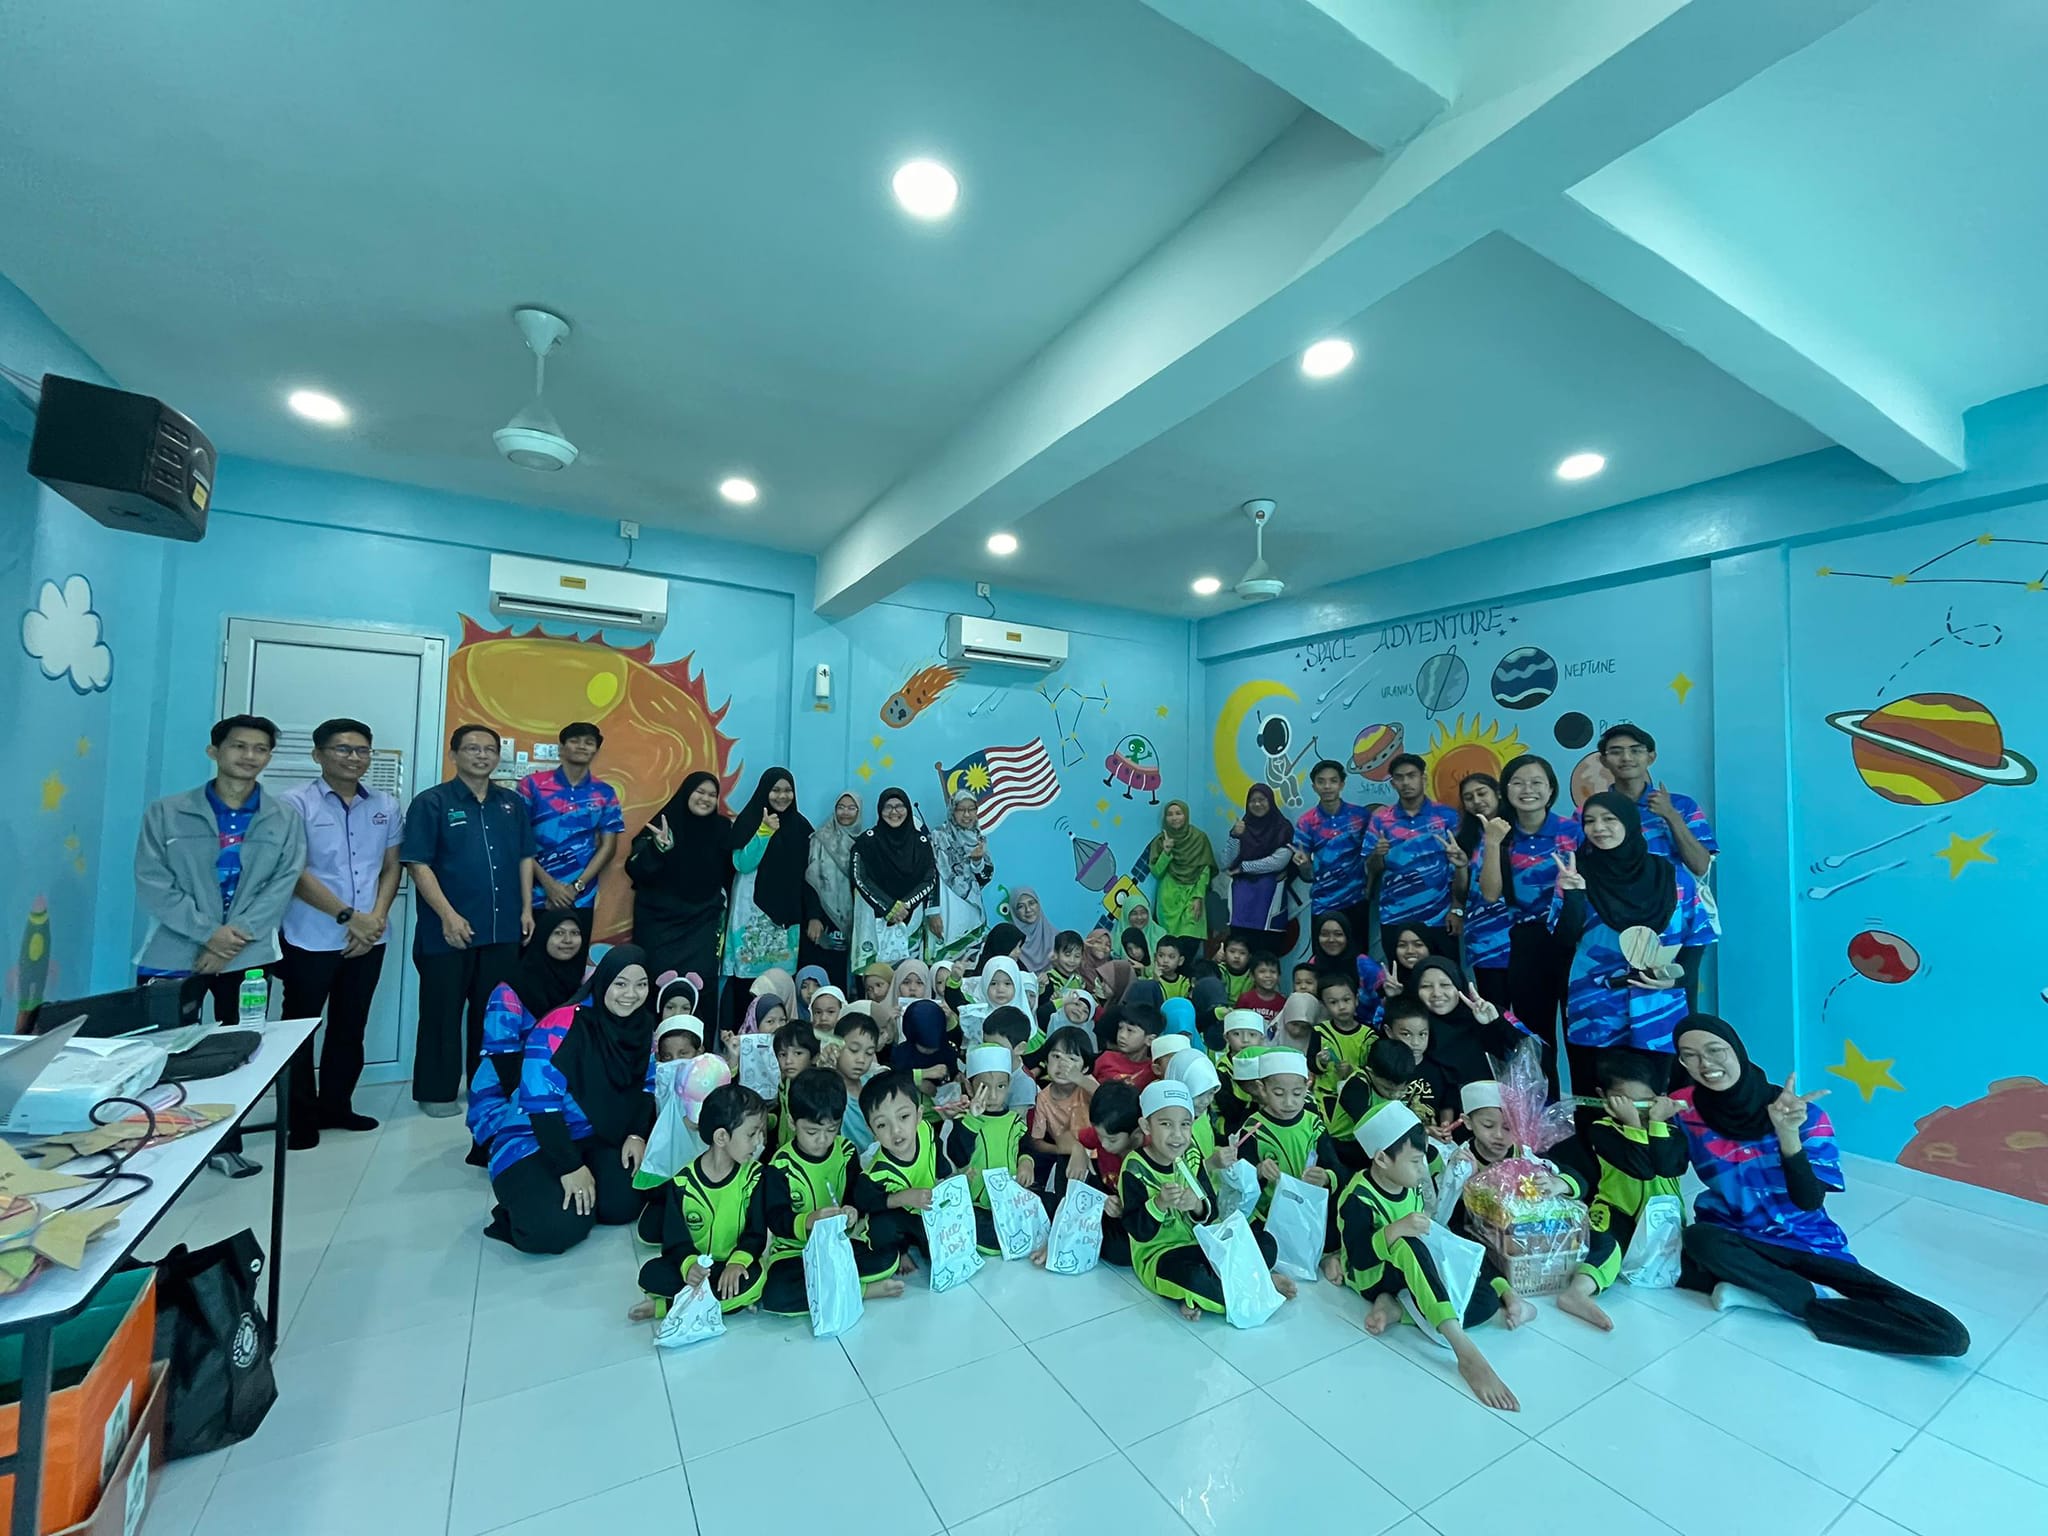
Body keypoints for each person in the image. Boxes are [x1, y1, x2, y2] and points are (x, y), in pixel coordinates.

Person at [1671, 1016, 1967, 1356]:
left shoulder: (1805, 1116)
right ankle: (1800, 1297)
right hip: (1732, 1237)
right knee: (1698, 1239)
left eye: (1715, 1050)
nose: (1705, 1064)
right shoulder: (1684, 1107)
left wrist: (1788, 1135)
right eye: (1689, 1055)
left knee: (1948, 1335)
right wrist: (1651, 1123)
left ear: (1736, 1049)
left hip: (1805, 1242)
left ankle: (1781, 1298)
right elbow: (1667, 1166)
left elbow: (1808, 1201)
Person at [134, 714, 307, 1177]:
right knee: (165, 1053)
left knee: (239, 1050)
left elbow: (282, 884)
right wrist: (208, 933)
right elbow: (153, 882)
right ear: (215, 751)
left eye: (260, 749)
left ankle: (225, 1146)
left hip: (248, 955)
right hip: (173, 953)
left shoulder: (284, 818)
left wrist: (230, 940)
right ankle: (161, 1145)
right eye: (239, 746)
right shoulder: (167, 812)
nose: (249, 756)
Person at [1336, 1101, 1528, 1411]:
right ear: (1382, 1159)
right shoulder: (1358, 1198)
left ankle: (1399, 1308)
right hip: (1371, 1275)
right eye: (1415, 1161)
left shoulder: (1407, 1180)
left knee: (1482, 1300)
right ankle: (1463, 1350)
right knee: (1408, 1245)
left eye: (1423, 1158)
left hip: (1412, 1272)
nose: (1422, 1168)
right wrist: (1395, 1229)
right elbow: (1359, 1260)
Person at [483, 944, 656, 1255]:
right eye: (620, 983)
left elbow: (646, 1086)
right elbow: (541, 1108)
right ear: (603, 981)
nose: (631, 994)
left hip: (596, 1136)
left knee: (625, 1204)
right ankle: (517, 1210)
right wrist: (570, 1167)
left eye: (641, 984)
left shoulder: (642, 1027)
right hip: (532, 1138)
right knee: (556, 1229)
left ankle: (577, 1199)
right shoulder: (560, 1025)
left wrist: (636, 1134)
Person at [280, 718, 404, 1149]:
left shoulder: (385, 804)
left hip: (369, 938)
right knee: (299, 1029)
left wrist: (375, 918)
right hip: (309, 936)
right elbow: (293, 871)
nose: (354, 758)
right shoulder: (294, 803)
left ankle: (337, 1106)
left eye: (362, 750)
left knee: (350, 1027)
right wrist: (349, 916)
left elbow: (391, 866)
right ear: (318, 755)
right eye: (343, 749)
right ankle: (300, 1117)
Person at [402, 724, 536, 1116]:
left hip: (503, 929)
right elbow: (418, 863)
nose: (482, 755)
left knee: (493, 1014)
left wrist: (527, 909)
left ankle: (487, 1088)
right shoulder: (432, 803)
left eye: (489, 749)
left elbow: (525, 857)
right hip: (448, 931)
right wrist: (447, 915)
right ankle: (437, 1092)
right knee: (442, 1013)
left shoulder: (511, 804)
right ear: (454, 754)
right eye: (473, 748)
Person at [1550, 790, 1716, 1083]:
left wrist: (1677, 979)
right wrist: (1574, 895)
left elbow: (1698, 935)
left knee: (1660, 1093)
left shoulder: (1671, 875)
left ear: (1629, 822)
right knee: (1594, 1093)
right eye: (1589, 821)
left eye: (1609, 819)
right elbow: (1563, 939)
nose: (1598, 828)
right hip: (1596, 1006)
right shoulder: (1575, 873)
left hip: (1658, 1005)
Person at [1124, 1080, 1296, 1320]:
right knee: (1194, 1279)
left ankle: (1212, 1292)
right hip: (1161, 1255)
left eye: (1185, 1124)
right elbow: (1137, 1231)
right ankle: (1257, 1285)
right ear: (1146, 1126)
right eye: (1165, 1124)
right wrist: (1159, 1204)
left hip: (1202, 1243)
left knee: (1266, 1242)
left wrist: (1196, 1205)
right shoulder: (1135, 1168)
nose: (1177, 1135)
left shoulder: (1190, 1156)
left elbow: (1211, 1211)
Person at [1555, 1050, 1689, 1331]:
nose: (1636, 1109)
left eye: (1645, 1102)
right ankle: (1577, 1293)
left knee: (1692, 1251)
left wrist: (1656, 1124)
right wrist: (1632, 1125)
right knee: (1606, 1245)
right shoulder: (1601, 1130)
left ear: (1659, 1097)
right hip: (1617, 1213)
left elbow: (1665, 1167)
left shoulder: (1673, 1132)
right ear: (1602, 1096)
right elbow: (1640, 1167)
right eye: (1624, 1101)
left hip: (1664, 1217)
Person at [760, 1068, 905, 1315]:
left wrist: (852, 1211)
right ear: (792, 1122)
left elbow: (854, 1196)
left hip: (839, 1243)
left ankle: (833, 1288)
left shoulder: (846, 1151)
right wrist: (808, 1220)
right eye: (812, 1132)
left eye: (831, 1130)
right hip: (796, 1251)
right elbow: (776, 1218)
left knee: (887, 1258)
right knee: (777, 1295)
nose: (822, 1140)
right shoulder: (780, 1166)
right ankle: (861, 1290)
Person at [1476, 754, 1578, 1092]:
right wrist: (1492, 842)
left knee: (1579, 1033)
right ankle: (1546, 1114)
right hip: (1526, 942)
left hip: (1574, 940)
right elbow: (1490, 893)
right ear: (1506, 790)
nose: (1527, 789)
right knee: (1535, 1036)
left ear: (1551, 790)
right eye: (1517, 783)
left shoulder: (1571, 831)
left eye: (1536, 782)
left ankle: (1588, 1114)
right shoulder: (1500, 832)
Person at [467, 913, 590, 1167]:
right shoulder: (510, 990)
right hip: (507, 1087)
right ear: (542, 937)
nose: (568, 940)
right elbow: (502, 1057)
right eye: (558, 933)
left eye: (575, 933)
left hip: (557, 1081)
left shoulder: (583, 986)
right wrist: (531, 1102)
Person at [636, 1082, 769, 1316]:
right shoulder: (682, 1184)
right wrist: (689, 1266)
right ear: (721, 1137)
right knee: (650, 1275)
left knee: (756, 1279)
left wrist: (737, 1263)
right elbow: (675, 1240)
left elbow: (755, 1234)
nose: (759, 1142)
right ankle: (723, 1302)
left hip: (731, 1265)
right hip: (696, 1268)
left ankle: (668, 1307)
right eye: (751, 1134)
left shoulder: (754, 1177)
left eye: (761, 1133)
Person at [626, 770, 734, 1031]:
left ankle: (699, 1050)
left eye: (712, 795)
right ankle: (653, 1049)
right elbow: (636, 870)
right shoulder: (663, 824)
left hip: (702, 924)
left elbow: (731, 872)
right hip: (659, 928)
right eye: (700, 792)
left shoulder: (722, 828)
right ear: (687, 793)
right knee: (656, 988)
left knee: (701, 988)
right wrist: (658, 849)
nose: (705, 799)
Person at [721, 768, 812, 1036]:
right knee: (747, 987)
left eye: (787, 790)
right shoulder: (749, 820)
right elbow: (742, 863)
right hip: (752, 914)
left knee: (779, 984)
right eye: (776, 790)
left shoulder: (800, 826)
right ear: (764, 791)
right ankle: (744, 1042)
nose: (782, 796)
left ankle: (781, 1043)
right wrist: (764, 831)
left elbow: (807, 876)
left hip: (785, 921)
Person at [516, 721, 624, 935]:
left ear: (596, 750)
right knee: (530, 953)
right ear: (561, 748)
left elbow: (608, 847)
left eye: (589, 743)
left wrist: (576, 887)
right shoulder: (531, 785)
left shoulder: (605, 792)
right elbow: (518, 838)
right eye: (575, 741)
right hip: (533, 894)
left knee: (572, 953)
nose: (582, 746)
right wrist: (549, 886)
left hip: (581, 898)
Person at [1596, 723, 1717, 876]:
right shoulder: (1593, 812)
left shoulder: (1682, 805)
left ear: (1651, 757)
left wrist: (1671, 815)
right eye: (1616, 752)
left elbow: (1700, 867)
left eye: (1635, 750)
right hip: (1615, 891)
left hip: (1674, 892)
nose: (1626, 758)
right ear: (1604, 761)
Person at [1365, 754, 1460, 943]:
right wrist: (1377, 854)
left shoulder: (1447, 816)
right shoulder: (1380, 819)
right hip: (1394, 917)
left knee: (1443, 964)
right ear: (1393, 783)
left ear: (1423, 778)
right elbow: (1371, 869)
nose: (1406, 782)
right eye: (1399, 777)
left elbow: (1460, 867)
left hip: (1439, 918)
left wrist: (1457, 909)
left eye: (1411, 775)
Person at [849, 788, 940, 971]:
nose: (894, 812)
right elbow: (859, 878)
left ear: (908, 809)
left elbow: (929, 878)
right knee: (875, 979)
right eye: (888, 807)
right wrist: (889, 907)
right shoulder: (866, 842)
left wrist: (905, 905)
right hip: (874, 921)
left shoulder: (921, 842)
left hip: (910, 919)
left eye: (899, 806)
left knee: (909, 976)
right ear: (879, 810)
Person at [1289, 759, 1370, 935]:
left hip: (1356, 901)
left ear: (1342, 784)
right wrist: (1304, 865)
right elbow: (1307, 876)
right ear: (1314, 787)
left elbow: (1373, 858)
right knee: (1325, 952)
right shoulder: (1306, 822)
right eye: (1321, 781)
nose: (1327, 786)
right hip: (1323, 903)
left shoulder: (1361, 816)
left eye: (1333, 781)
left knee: (1358, 952)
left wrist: (1369, 887)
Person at [1452, 773, 1511, 1007]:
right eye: (1469, 797)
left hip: (1520, 935)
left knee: (1529, 1012)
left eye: (1481, 793)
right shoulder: (1467, 838)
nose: (1476, 801)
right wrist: (1460, 868)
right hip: (1484, 938)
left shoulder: (1518, 830)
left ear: (1498, 793)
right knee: (1494, 1008)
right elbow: (1462, 893)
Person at [802, 791, 862, 989]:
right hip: (823, 917)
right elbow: (810, 880)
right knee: (823, 974)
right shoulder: (820, 839)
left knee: (845, 976)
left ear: (859, 812)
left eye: (851, 808)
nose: (845, 812)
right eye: (841, 807)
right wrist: (814, 916)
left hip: (852, 917)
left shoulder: (864, 842)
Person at [927, 789, 995, 963]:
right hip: (946, 903)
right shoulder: (938, 836)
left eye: (971, 809)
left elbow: (984, 878)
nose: (967, 815)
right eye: (961, 809)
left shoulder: (978, 837)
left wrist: (977, 861)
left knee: (970, 957)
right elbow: (929, 874)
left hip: (971, 905)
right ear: (952, 810)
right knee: (945, 958)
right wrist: (932, 911)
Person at [1223, 784, 1295, 946]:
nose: (1257, 804)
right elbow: (1226, 861)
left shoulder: (1282, 827)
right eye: (1252, 801)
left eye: (1262, 800)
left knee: (1266, 948)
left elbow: (1279, 862)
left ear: (1270, 801)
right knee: (1240, 947)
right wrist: (1234, 836)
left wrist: (1244, 867)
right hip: (1241, 898)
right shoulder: (1242, 826)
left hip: (1269, 896)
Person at [1145, 800, 1217, 944]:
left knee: (1190, 940)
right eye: (1170, 814)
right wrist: (1166, 852)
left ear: (1186, 815)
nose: (1174, 818)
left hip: (1192, 894)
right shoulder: (1160, 840)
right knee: (1169, 945)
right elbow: (1157, 872)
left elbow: (1205, 870)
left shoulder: (1199, 838)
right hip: (1168, 899)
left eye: (1178, 813)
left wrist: (1198, 896)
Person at [1008, 887, 1056, 974]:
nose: (1028, 909)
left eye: (1031, 903)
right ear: (1014, 911)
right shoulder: (1010, 942)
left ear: (1038, 905)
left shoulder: (1057, 938)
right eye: (1021, 906)